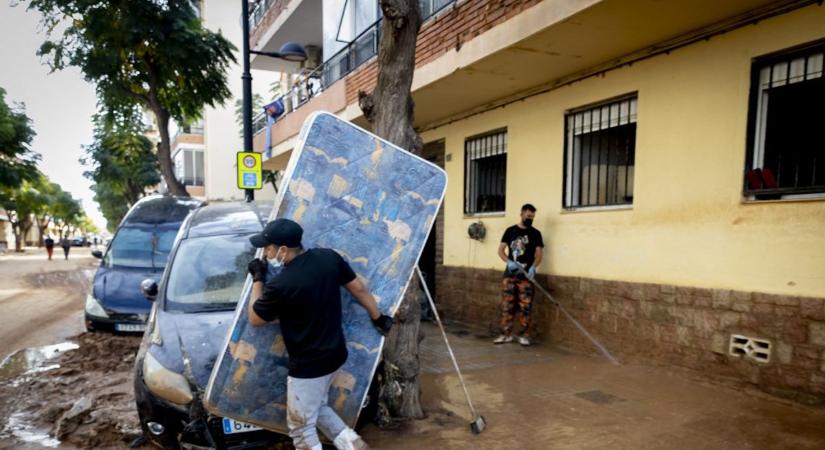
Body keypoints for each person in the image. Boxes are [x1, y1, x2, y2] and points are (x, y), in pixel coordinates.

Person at [246, 218, 393, 450]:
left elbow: (254, 318)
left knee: (301, 429)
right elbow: (359, 288)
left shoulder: (281, 284)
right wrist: (378, 317)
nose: (265, 252)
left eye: (268, 247)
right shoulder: (328, 258)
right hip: (335, 355)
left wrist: (258, 278)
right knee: (317, 407)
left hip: (308, 366)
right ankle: (354, 445)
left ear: (282, 249)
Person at [494, 203, 544, 346]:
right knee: (507, 305)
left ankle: (524, 336)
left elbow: (539, 254)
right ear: (521, 214)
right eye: (528, 216)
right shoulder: (510, 231)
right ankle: (505, 334)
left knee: (525, 307)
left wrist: (534, 267)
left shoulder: (536, 233)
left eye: (533, 217)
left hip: (526, 277)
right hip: (510, 275)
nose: (530, 219)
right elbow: (501, 251)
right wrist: (508, 262)